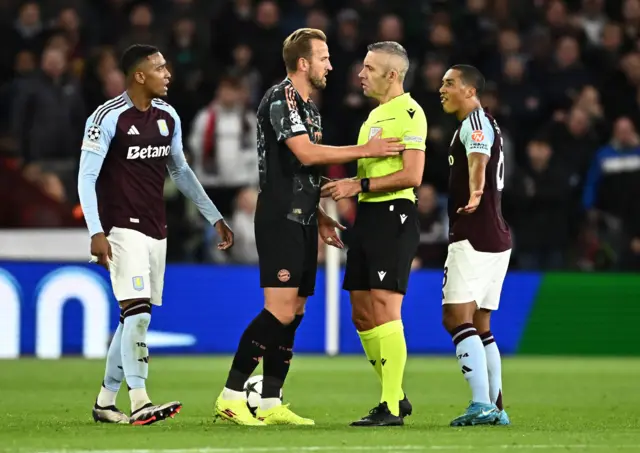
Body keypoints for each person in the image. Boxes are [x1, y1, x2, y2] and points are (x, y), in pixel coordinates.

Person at [213, 28, 405, 427]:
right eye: (324, 58)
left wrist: (319, 216)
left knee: (295, 310)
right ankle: (231, 395)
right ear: (303, 63)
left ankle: (269, 400)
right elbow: (307, 152)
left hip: (302, 217)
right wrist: (366, 151)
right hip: (279, 216)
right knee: (279, 309)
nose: (330, 65)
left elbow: (304, 169)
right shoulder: (281, 98)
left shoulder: (310, 109)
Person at [78, 44, 234, 426]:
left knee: (130, 318)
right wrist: (96, 231)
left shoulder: (167, 116)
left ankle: (104, 402)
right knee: (139, 314)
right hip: (120, 228)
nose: (168, 74)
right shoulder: (106, 117)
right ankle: (141, 400)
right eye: (160, 68)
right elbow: (86, 176)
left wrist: (213, 216)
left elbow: (180, 171)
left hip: (155, 229)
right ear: (139, 76)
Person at [322, 41, 426, 427]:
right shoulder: (374, 116)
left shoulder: (410, 113)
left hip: (394, 214)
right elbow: (371, 173)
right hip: (368, 218)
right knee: (362, 313)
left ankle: (391, 407)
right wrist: (350, 184)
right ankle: (395, 393)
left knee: (384, 304)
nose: (360, 74)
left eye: (369, 68)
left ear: (392, 74)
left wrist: (358, 186)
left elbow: (412, 175)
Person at [438, 64, 511, 426]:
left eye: (450, 83)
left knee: (455, 317)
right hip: (496, 236)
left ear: (470, 90)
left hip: (474, 234)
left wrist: (476, 188)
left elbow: (478, 159)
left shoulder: (475, 124)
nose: (442, 89)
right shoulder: (488, 123)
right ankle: (496, 408)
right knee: (481, 324)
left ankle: (482, 404)